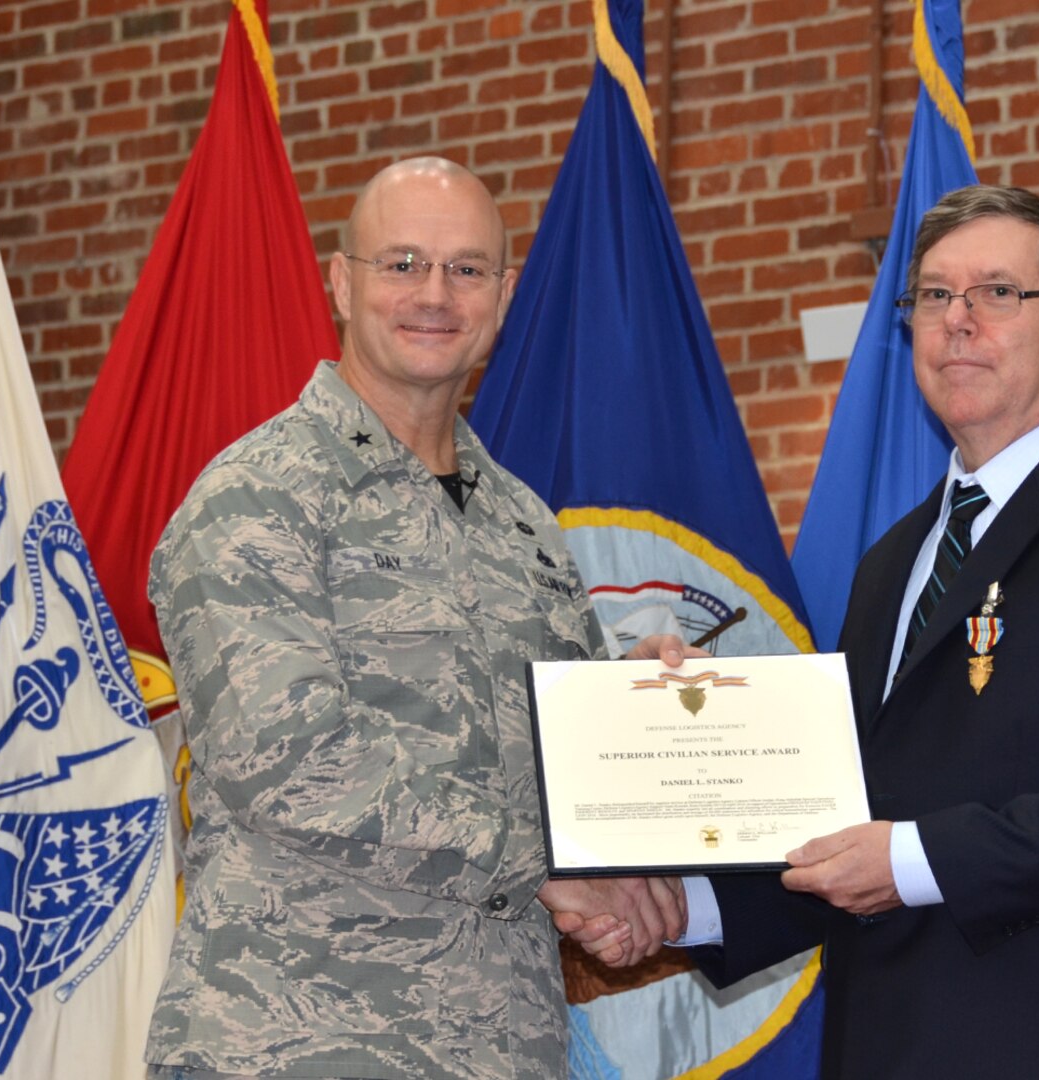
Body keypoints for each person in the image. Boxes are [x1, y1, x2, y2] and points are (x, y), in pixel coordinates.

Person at [562, 185, 1039, 1077]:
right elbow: (849, 813)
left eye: (997, 293)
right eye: (933, 296)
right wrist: (678, 906)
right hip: (885, 1042)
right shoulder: (896, 558)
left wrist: (916, 857)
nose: (957, 322)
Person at [144, 156, 683, 1080]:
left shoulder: (524, 526)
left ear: (505, 294)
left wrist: (653, 715)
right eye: (402, 264)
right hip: (299, 1042)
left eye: (467, 269)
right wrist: (549, 865)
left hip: (506, 1045)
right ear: (340, 283)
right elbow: (292, 766)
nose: (435, 294)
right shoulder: (255, 499)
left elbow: (571, 767)